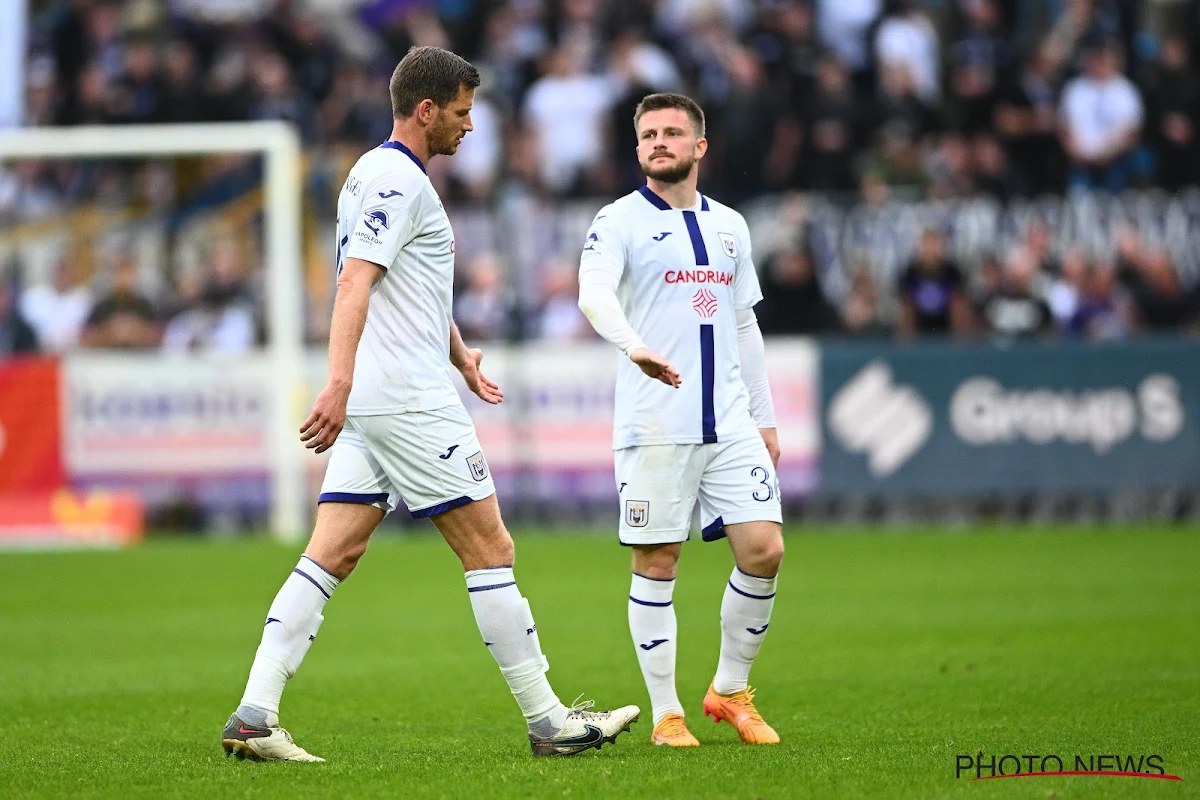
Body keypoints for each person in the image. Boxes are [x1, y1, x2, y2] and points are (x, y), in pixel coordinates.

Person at [221, 46, 639, 763]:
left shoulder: (373, 173)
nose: (470, 126)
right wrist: (338, 381)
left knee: (333, 552)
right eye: (462, 111)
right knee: (491, 548)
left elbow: (403, 284)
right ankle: (548, 722)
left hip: (384, 398)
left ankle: (255, 713)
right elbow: (354, 284)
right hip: (406, 402)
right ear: (426, 110)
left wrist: (459, 353)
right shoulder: (398, 182)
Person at [577, 93, 784, 748]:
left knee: (765, 550)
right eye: (647, 135)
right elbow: (592, 293)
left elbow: (745, 322)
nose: (658, 142)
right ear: (637, 149)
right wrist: (630, 344)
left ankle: (728, 691)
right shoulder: (617, 222)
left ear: (700, 146)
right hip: (655, 427)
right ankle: (668, 715)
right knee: (658, 560)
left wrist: (765, 414)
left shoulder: (731, 226)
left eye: (672, 132)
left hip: (729, 421)